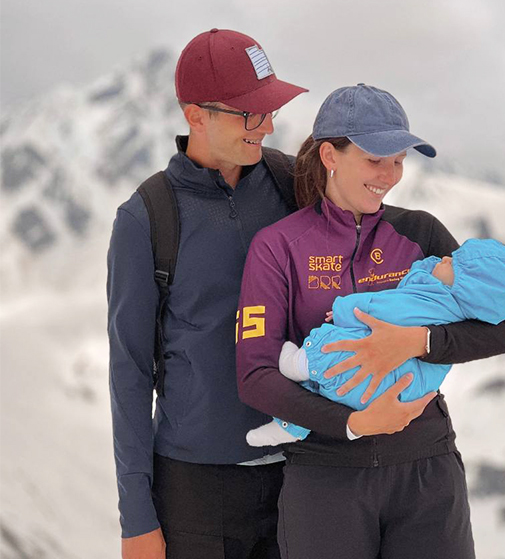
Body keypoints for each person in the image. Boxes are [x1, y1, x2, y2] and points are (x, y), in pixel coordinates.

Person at [107, 32, 447, 559]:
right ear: (196, 116)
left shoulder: (295, 184)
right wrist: (136, 520)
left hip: (307, 474)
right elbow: (129, 371)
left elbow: (369, 223)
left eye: (269, 110)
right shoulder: (147, 218)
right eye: (250, 114)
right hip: (198, 489)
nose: (267, 126)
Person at [236, 84, 505, 559]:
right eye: (375, 160)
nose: (390, 175)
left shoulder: (420, 231)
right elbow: (256, 376)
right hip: (326, 478)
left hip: (426, 469)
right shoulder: (278, 246)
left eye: (399, 160)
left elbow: (499, 332)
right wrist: (354, 423)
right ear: (330, 154)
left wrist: (415, 341)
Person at [246, 237, 505, 447]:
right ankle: (291, 427)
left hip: (380, 388)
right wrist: (353, 425)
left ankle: (299, 364)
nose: (444, 258)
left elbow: (383, 307)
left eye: (453, 263)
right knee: (329, 384)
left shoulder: (434, 297)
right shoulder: (465, 307)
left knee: (335, 345)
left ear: (465, 287)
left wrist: (344, 309)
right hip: (394, 394)